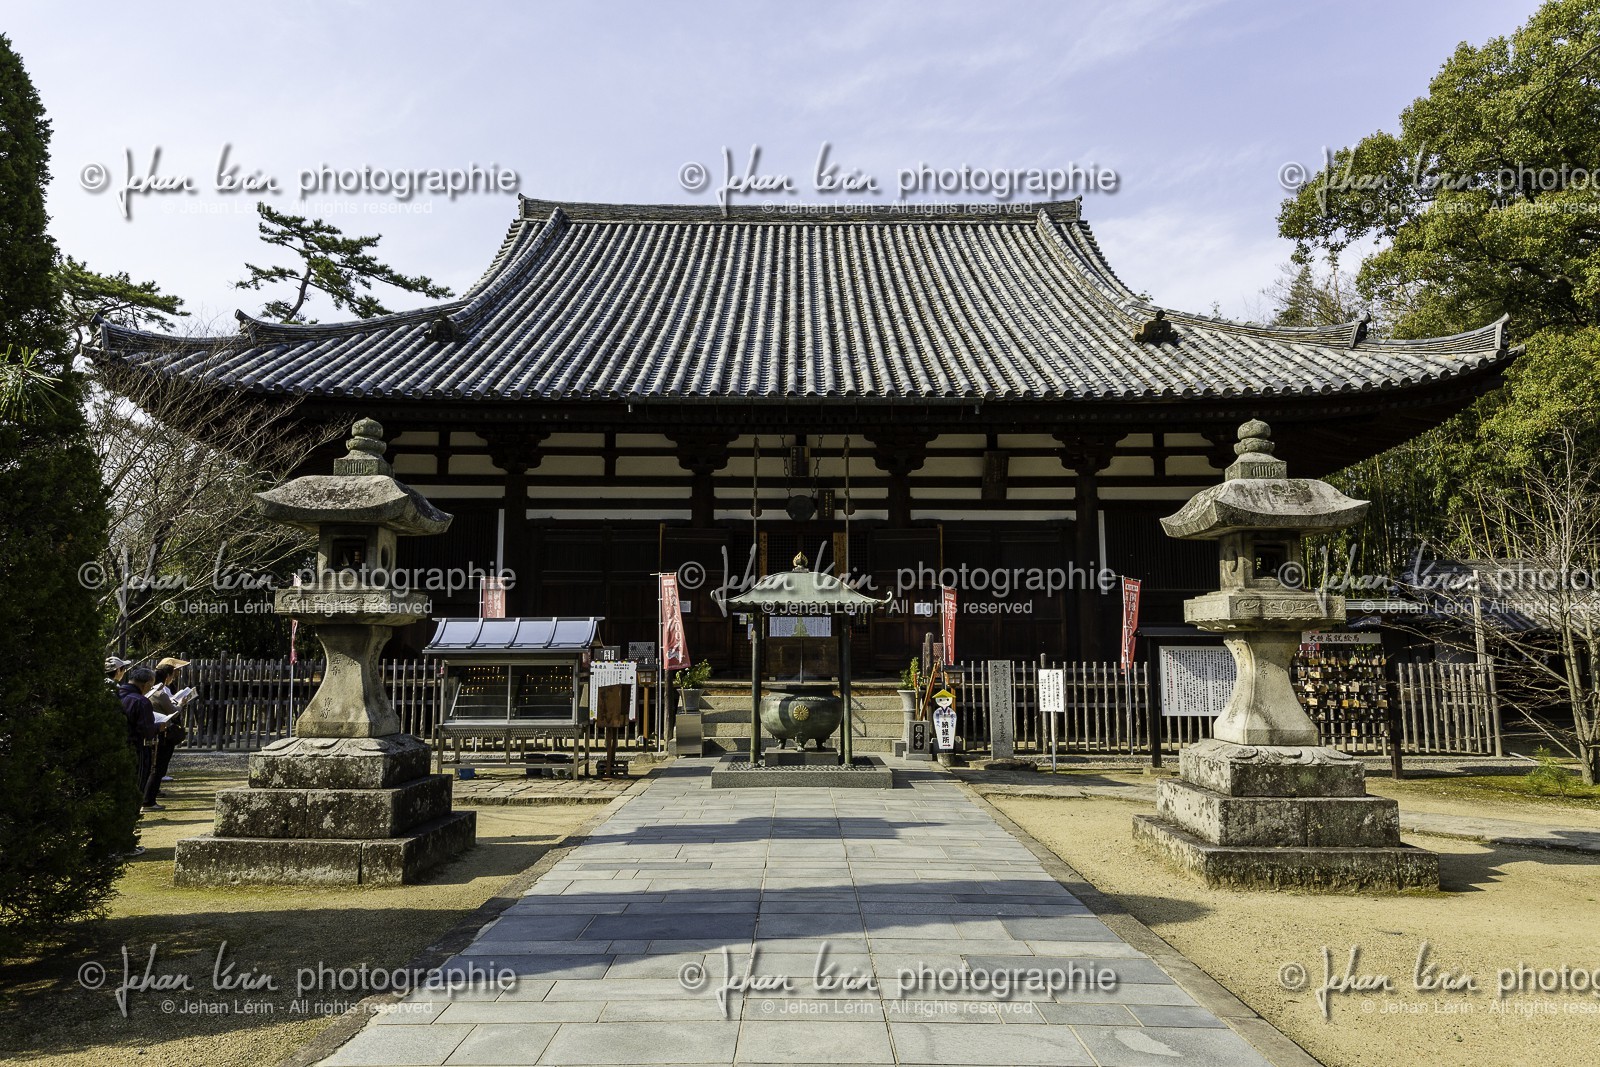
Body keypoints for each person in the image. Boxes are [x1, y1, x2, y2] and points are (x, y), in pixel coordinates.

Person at [118, 667, 164, 811]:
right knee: (136, 785)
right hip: (135, 746)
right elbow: (147, 731)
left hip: (112, 745)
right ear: (146, 684)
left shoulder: (114, 694)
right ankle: (130, 814)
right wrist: (159, 727)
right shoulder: (141, 701)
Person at [148, 658, 190, 798]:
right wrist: (180, 704)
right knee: (158, 765)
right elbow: (173, 711)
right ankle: (150, 797)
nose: (175, 676)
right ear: (167, 675)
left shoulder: (154, 690)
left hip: (155, 728)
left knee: (155, 764)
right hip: (162, 728)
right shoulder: (160, 692)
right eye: (174, 673)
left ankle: (151, 793)